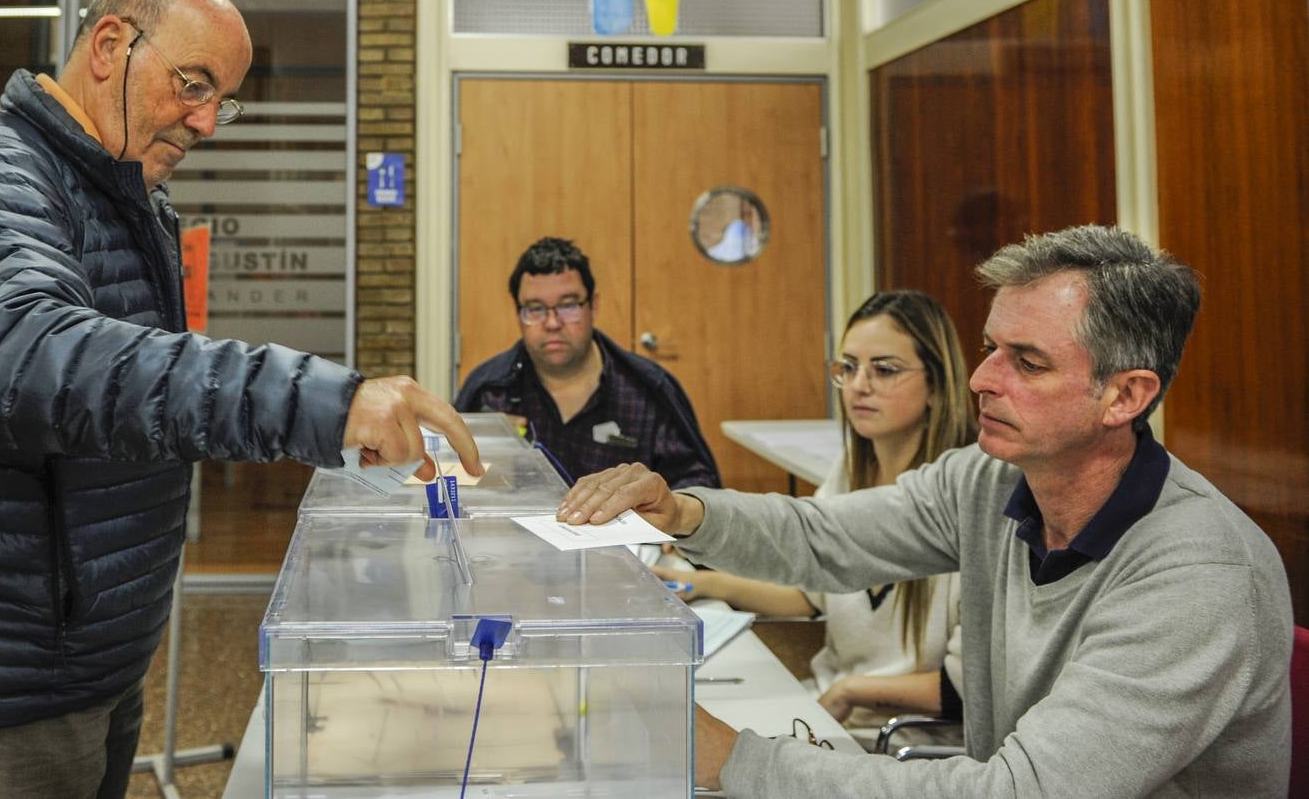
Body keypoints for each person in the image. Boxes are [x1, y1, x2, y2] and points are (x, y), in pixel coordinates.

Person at [0, 0, 482, 799]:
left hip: (93, 647)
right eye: (192, 85)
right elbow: (34, 367)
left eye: (220, 99)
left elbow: (143, 390)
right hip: (9, 667)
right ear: (111, 44)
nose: (206, 121)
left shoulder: (126, 196)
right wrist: (320, 402)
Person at [559, 225, 1292, 796]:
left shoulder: (1199, 575)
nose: (981, 378)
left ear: (1125, 396)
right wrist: (683, 512)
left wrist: (734, 760)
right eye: (988, 348)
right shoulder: (989, 481)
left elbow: (1022, 792)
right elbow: (824, 538)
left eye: (1026, 362)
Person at [658, 290, 974, 743]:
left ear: (937, 384)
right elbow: (814, 590)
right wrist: (697, 584)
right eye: (848, 368)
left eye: (884, 370)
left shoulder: (964, 499)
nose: (860, 385)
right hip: (828, 714)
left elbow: (967, 685)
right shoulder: (852, 469)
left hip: (901, 741)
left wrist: (853, 690)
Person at [455, 236, 719, 488]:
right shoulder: (489, 391)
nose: (552, 323)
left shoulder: (647, 390)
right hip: (516, 534)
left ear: (593, 306)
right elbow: (449, 480)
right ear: (518, 314)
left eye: (568, 305)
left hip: (627, 535)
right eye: (535, 309)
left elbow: (697, 486)